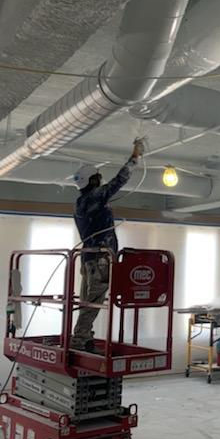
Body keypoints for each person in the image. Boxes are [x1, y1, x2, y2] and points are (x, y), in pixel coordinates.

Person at [71, 141, 143, 351]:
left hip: (88, 258)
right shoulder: (95, 196)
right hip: (100, 259)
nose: (100, 179)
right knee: (93, 300)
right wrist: (135, 157)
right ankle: (80, 338)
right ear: (92, 180)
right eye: (97, 177)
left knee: (87, 300)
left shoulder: (80, 202)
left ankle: (85, 337)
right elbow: (119, 180)